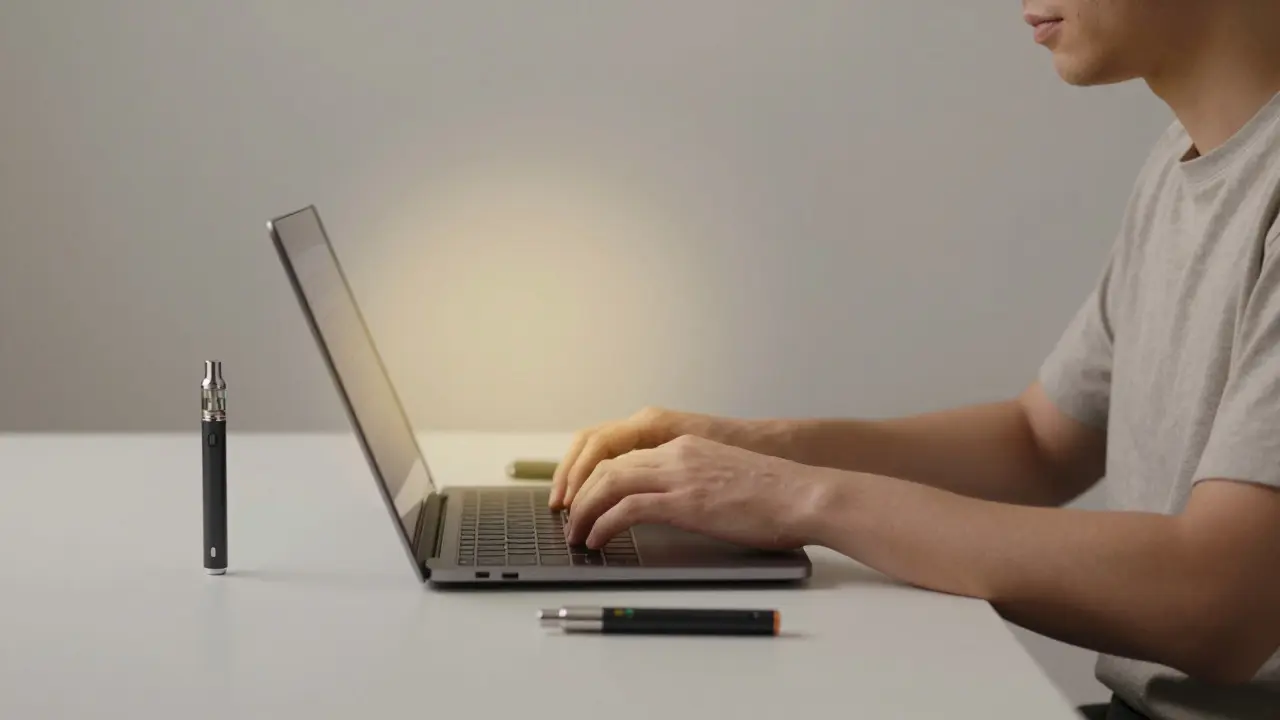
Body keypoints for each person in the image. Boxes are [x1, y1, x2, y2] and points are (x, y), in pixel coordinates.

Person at [548, 2, 1280, 719]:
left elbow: (1213, 605)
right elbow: (1036, 444)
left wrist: (795, 499)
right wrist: (743, 450)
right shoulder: (1179, 163)